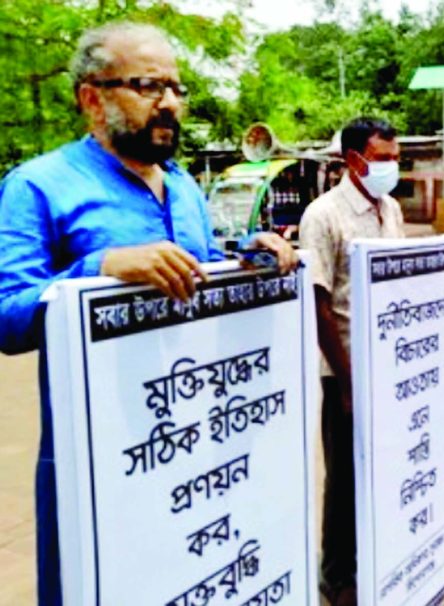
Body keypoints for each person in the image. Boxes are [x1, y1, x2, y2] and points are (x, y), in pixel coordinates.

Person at [0, 22, 297, 606]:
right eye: (147, 85)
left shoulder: (183, 186)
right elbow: (7, 318)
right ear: (93, 97)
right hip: (100, 460)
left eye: (176, 88)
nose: (169, 103)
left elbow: (203, 273)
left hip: (201, 444)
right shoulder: (37, 186)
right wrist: (99, 267)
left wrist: (248, 258)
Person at [298, 117, 404, 606]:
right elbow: (319, 305)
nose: (392, 166)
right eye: (383, 158)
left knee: (383, 466)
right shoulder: (324, 215)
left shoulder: (392, 209)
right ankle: (336, 578)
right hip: (344, 370)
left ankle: (375, 553)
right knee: (343, 479)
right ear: (353, 160)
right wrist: (346, 381)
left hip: (388, 366)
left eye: (395, 157)